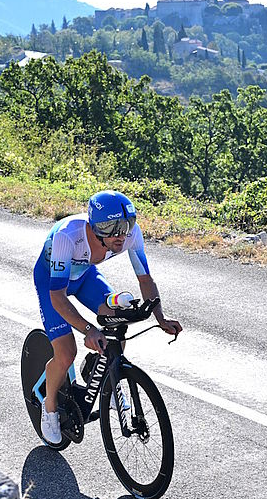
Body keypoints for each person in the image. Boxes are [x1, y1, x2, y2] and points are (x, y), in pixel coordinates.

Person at [33, 190, 182, 444]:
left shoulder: (130, 234)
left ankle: (105, 374)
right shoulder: (67, 236)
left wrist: (160, 317)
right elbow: (58, 297)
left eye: (126, 226)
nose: (120, 235)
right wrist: (88, 329)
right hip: (53, 285)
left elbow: (145, 279)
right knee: (66, 353)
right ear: (93, 227)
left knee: (120, 318)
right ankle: (48, 409)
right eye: (111, 228)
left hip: (84, 276)